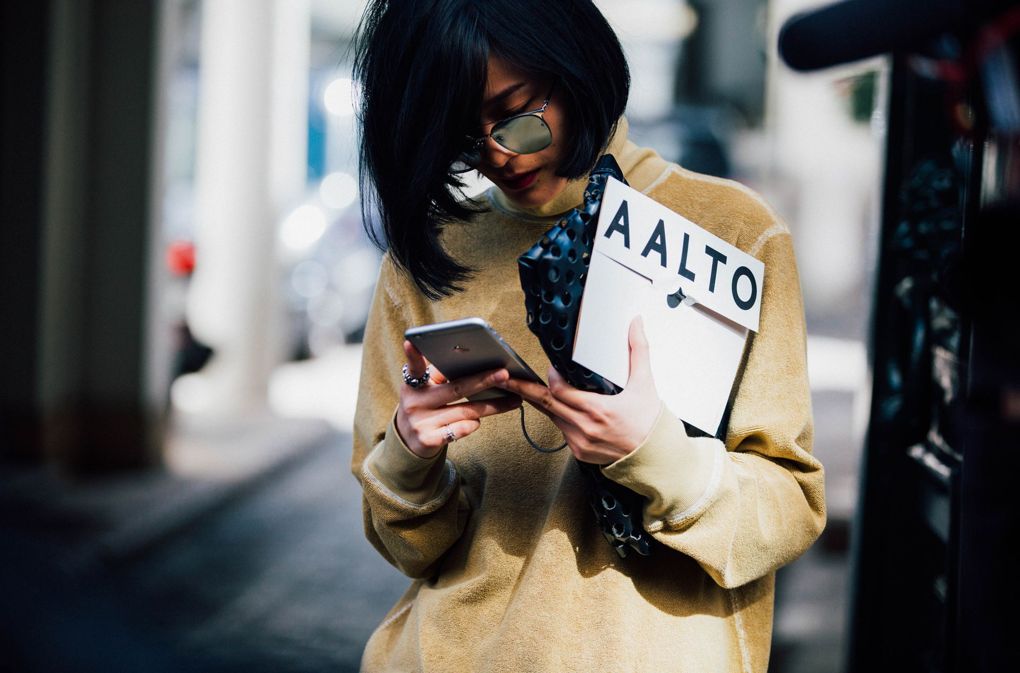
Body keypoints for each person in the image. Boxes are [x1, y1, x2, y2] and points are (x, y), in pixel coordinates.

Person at [350, 1, 826, 671]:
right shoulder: (430, 255)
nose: (496, 155)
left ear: (571, 66)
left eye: (515, 114)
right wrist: (409, 452)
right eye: (462, 136)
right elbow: (408, 545)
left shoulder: (732, 228)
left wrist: (653, 452)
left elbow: (789, 511)